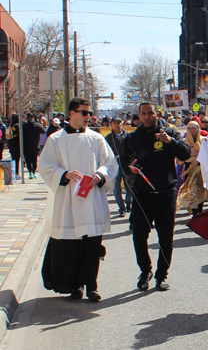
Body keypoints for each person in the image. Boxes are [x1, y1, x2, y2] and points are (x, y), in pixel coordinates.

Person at [39, 97, 118, 302]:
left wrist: (100, 175)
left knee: (92, 244)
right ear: (71, 114)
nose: (88, 117)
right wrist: (64, 174)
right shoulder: (56, 140)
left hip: (91, 197)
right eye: (83, 112)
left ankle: (91, 285)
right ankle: (75, 285)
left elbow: (109, 163)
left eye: (89, 113)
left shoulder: (96, 138)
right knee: (72, 245)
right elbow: (46, 166)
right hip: (68, 199)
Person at [122, 101, 191, 291]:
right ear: (139, 116)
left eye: (150, 113)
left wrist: (170, 142)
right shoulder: (132, 138)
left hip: (165, 193)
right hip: (142, 194)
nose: (147, 117)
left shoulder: (169, 133)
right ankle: (145, 272)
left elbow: (185, 154)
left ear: (157, 113)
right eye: (143, 113)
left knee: (166, 238)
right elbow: (123, 162)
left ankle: (162, 276)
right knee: (139, 236)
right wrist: (131, 169)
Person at [177, 121, 206, 214]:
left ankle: (199, 210)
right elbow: (180, 158)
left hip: (200, 169)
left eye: (195, 128)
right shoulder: (184, 142)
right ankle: (194, 211)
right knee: (191, 192)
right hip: (189, 170)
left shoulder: (203, 141)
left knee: (200, 191)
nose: (193, 130)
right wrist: (190, 155)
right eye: (191, 128)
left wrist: (200, 155)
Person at [106, 117, 132, 217]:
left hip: (127, 164)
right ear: (111, 125)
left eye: (119, 123)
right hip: (115, 166)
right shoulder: (108, 138)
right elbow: (105, 153)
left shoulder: (128, 136)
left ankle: (128, 204)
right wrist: (113, 157)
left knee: (129, 187)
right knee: (117, 189)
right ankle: (121, 208)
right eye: (115, 123)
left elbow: (133, 149)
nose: (117, 125)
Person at [23, 112, 46, 179]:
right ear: (33, 118)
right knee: (34, 159)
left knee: (28, 160)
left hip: (26, 145)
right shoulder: (37, 125)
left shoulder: (24, 126)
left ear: (27, 118)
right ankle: (33, 172)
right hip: (35, 145)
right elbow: (43, 131)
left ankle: (30, 172)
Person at [7, 114, 21, 179]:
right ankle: (17, 173)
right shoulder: (17, 126)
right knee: (17, 160)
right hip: (17, 145)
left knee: (13, 159)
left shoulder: (10, 125)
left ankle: (13, 172)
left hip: (11, 144)